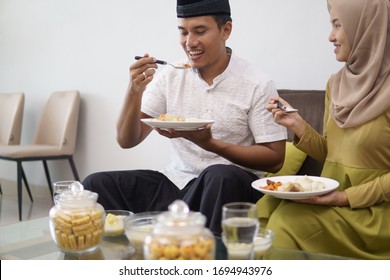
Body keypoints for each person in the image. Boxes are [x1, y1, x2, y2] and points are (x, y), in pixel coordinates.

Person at [83, 0, 287, 235]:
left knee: (219, 174)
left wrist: (209, 144)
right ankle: (136, 256)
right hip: (177, 184)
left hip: (229, 187)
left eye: (200, 31)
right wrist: (133, 91)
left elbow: (275, 158)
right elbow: (127, 140)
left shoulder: (257, 83)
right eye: (183, 32)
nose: (190, 43)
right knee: (95, 185)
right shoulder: (171, 75)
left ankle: (187, 250)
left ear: (226, 30)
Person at [259, 0, 390, 259]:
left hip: (376, 213)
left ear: (366, 27)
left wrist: (344, 198)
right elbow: (332, 154)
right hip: (334, 201)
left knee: (285, 225)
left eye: (338, 25)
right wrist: (298, 125)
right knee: (262, 215)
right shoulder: (336, 84)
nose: (331, 36)